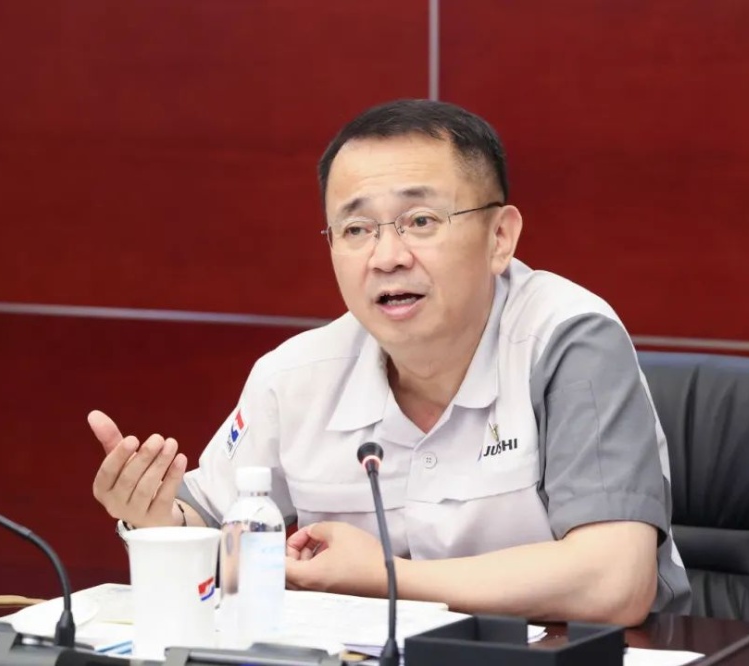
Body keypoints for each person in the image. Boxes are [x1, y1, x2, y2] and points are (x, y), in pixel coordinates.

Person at [89, 99, 692, 625]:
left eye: (420, 221)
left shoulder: (567, 342)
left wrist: (385, 577)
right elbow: (214, 529)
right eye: (356, 229)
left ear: (500, 238)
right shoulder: (294, 376)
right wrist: (156, 519)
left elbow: (615, 584)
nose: (386, 257)